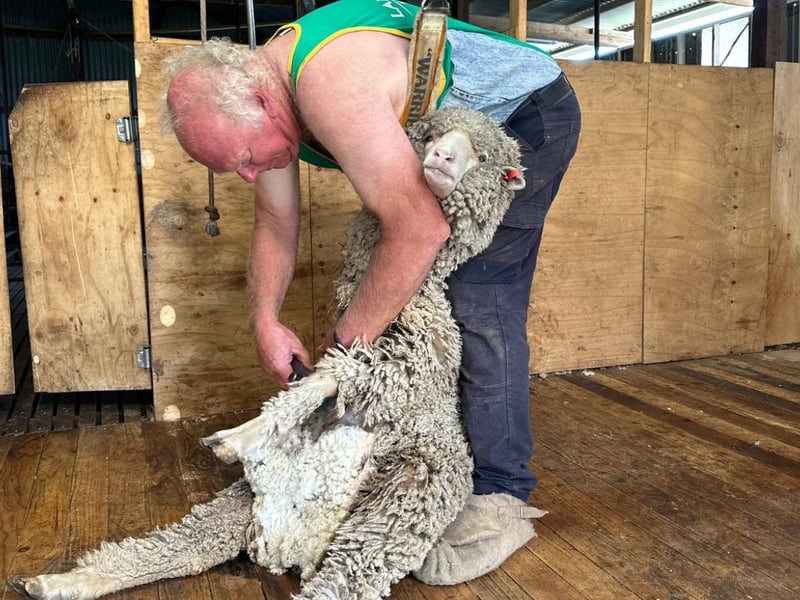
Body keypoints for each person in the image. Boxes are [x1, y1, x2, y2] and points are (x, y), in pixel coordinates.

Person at [164, 0, 581, 585]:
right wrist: (264, 317)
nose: (251, 176)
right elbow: (275, 223)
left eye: (244, 160)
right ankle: (430, 458)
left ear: (258, 101)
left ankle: (501, 494)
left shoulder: (328, 84)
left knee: (480, 299)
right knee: (404, 298)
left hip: (524, 114)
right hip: (453, 138)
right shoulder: (266, 101)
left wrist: (342, 360)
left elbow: (418, 228)